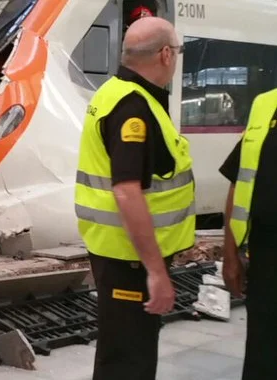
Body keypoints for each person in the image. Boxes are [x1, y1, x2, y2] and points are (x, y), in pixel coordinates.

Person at [74, 17, 193, 380]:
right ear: (165, 54)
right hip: (130, 260)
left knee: (122, 351)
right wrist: (156, 272)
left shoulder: (112, 92)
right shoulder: (134, 107)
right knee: (129, 361)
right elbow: (127, 191)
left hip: (116, 252)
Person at [220, 87, 277, 380]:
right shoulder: (265, 105)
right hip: (266, 258)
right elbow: (238, 181)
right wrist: (229, 255)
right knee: (262, 354)